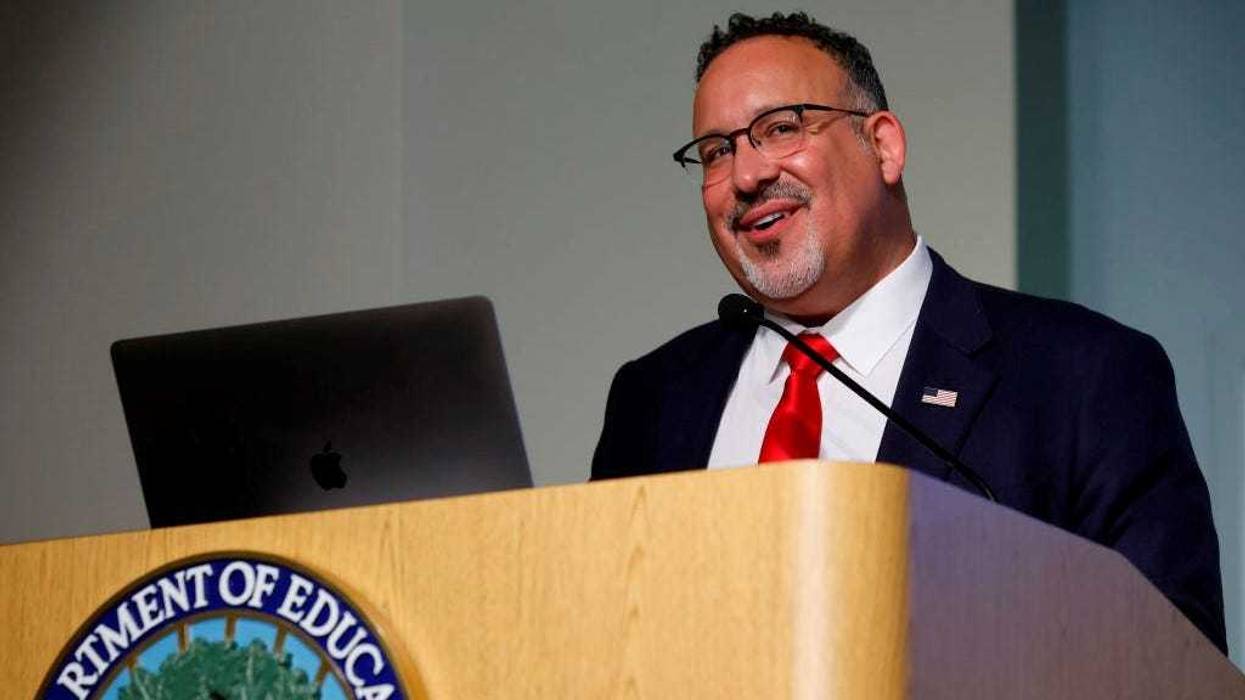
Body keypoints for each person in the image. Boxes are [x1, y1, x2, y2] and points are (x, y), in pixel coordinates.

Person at [590, 12, 1227, 653]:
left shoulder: (1085, 378)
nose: (746, 176)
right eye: (716, 152)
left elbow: (1174, 662)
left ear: (885, 146)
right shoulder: (654, 398)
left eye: (779, 129)